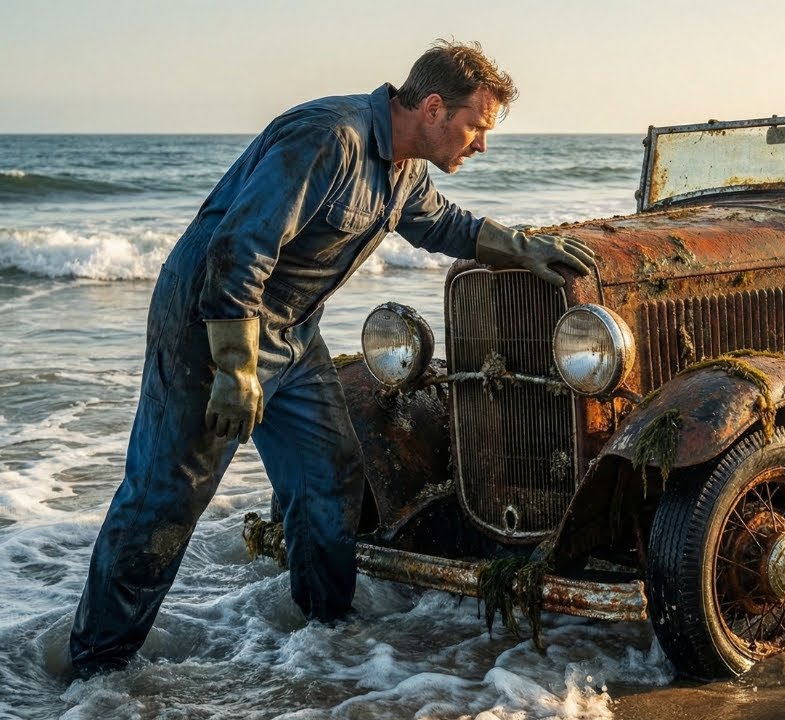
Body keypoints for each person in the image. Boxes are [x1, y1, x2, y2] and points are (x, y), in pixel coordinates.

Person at [68, 40, 595, 677]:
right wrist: (234, 365)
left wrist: (522, 247)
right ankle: (94, 671)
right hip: (209, 329)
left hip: (292, 334)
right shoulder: (329, 139)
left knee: (332, 471)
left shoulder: (403, 168)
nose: (481, 143)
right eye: (476, 126)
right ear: (433, 107)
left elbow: (442, 224)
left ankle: (324, 635)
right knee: (165, 500)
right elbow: (239, 248)